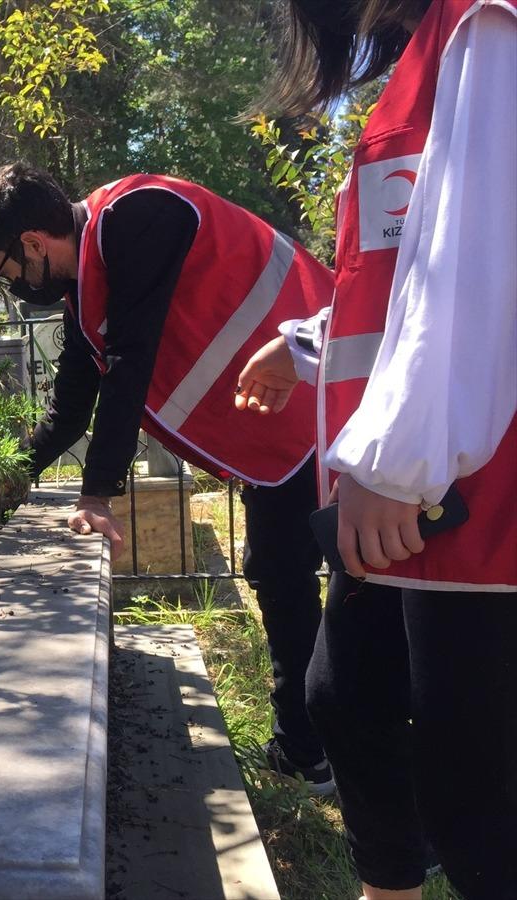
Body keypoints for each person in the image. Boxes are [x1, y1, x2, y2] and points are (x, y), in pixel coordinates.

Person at [239, 1, 517, 897]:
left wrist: (392, 463)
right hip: (416, 486)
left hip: (463, 498)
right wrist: (307, 341)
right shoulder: (434, 50)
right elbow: (408, 286)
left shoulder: (488, 28)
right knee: (346, 698)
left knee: (477, 793)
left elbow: (479, 272)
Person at [0, 163, 336, 792]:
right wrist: (8, 475)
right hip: (280, 427)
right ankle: (304, 743)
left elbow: (131, 362)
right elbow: (72, 402)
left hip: (324, 390)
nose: (14, 287)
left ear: (32, 243)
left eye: (7, 273)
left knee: (327, 582)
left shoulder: (138, 215)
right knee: (280, 571)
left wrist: (98, 493)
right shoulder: (88, 281)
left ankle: (333, 748)